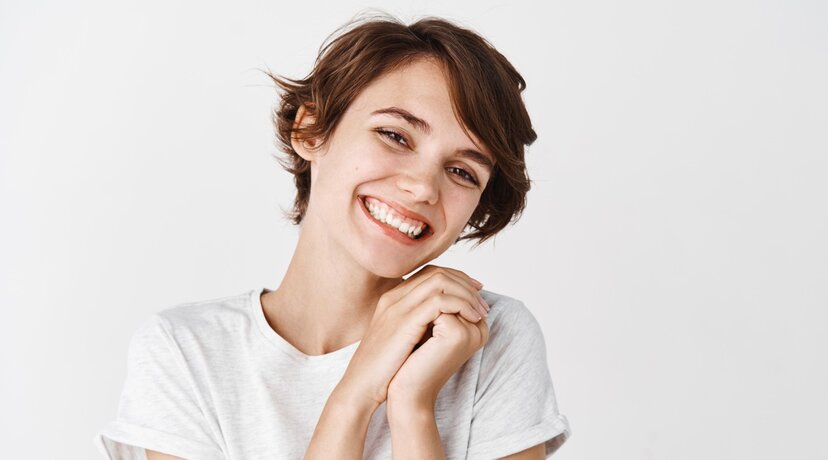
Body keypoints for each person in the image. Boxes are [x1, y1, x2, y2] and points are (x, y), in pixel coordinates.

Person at [94, 13, 571, 460]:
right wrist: (354, 395)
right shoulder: (186, 352)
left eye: (462, 172)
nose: (424, 188)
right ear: (311, 131)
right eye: (396, 136)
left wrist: (411, 405)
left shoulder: (490, 339)